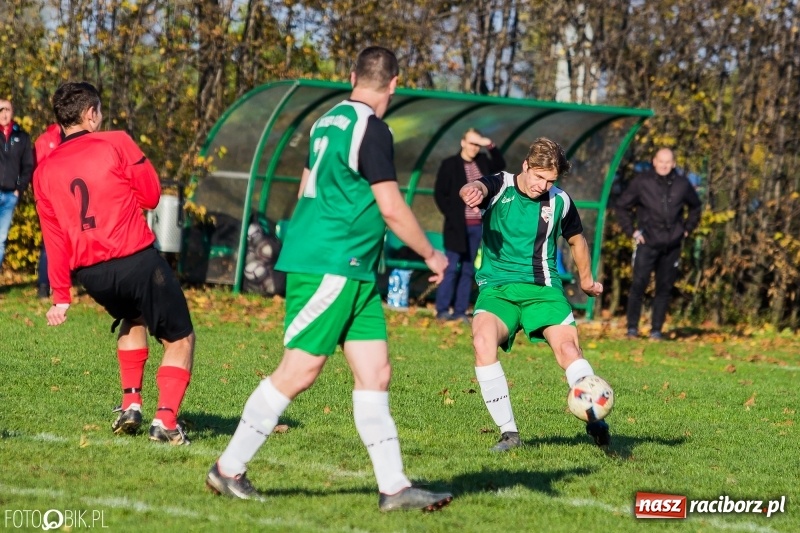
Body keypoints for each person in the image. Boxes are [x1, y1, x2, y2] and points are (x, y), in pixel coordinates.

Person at [206, 46, 453, 512]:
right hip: (331, 263)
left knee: (376, 373)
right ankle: (228, 467)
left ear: (352, 75)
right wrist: (432, 255)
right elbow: (391, 206)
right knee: (300, 369)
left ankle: (395, 487)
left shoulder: (326, 121)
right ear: (395, 84)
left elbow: (305, 188)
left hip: (351, 265)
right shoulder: (372, 129)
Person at [33, 82, 195, 445]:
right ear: (91, 114)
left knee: (132, 318)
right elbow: (153, 197)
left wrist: (61, 295)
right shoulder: (116, 141)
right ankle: (166, 422)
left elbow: (54, 238)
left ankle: (131, 404)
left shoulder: (43, 171)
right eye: (99, 111)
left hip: (93, 275)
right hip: (136, 259)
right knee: (180, 338)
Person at [459, 137, 610, 452]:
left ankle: (594, 415)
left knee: (568, 350)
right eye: (538, 176)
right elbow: (478, 188)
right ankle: (509, 434)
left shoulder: (560, 201)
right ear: (525, 166)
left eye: (550, 180)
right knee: (482, 343)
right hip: (497, 289)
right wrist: (470, 191)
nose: (543, 185)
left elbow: (577, 240)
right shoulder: (500, 185)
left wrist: (586, 281)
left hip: (542, 289)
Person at [615, 148, 701, 340]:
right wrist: (633, 231)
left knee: (664, 288)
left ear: (673, 164)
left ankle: (656, 330)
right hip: (647, 242)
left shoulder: (682, 184)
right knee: (638, 285)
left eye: (668, 162)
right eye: (661, 161)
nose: (664, 165)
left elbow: (696, 207)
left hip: (672, 244)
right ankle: (632, 329)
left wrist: (686, 229)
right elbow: (622, 206)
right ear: (654, 161)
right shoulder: (642, 182)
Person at [433, 128, 505, 323]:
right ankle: (441, 309)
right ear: (463, 142)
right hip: (456, 227)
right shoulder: (450, 164)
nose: (474, 148)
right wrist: (451, 214)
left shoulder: (482, 162)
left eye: (477, 144)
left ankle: (460, 310)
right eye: (472, 143)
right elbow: (440, 193)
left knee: (468, 269)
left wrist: (488, 144)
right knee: (451, 267)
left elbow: (500, 167)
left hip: (477, 226)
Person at [0, 99, 34, 270]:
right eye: (0, 110)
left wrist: (19, 189)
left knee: (1, 238)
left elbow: (28, 165)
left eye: (7, 109)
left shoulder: (22, 137)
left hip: (9, 195)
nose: (3, 113)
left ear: (12, 112)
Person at [32, 123, 64, 299]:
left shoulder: (75, 139)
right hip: (50, 200)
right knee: (49, 244)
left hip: (70, 200)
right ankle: (44, 286)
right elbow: (37, 172)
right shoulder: (45, 141)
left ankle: (61, 286)